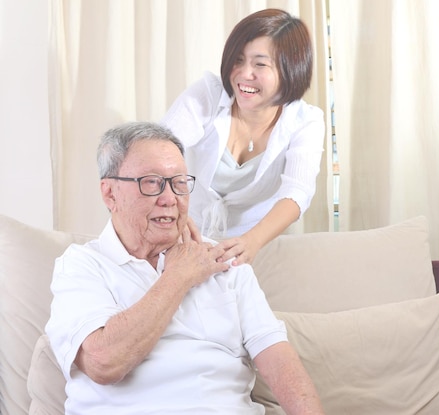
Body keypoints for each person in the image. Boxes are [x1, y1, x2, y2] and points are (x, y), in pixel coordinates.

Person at [45, 122, 324, 414]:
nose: (170, 200)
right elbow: (104, 362)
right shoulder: (81, 266)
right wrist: (179, 276)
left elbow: (279, 361)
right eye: (151, 183)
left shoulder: (224, 261)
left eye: (179, 183)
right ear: (110, 194)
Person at [161, 8, 325, 266]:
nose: (243, 73)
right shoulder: (208, 94)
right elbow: (160, 151)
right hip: (185, 235)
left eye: (260, 64)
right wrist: (175, 217)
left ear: (290, 69)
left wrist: (252, 242)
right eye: (238, 60)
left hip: (253, 245)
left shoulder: (306, 121)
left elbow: (297, 192)